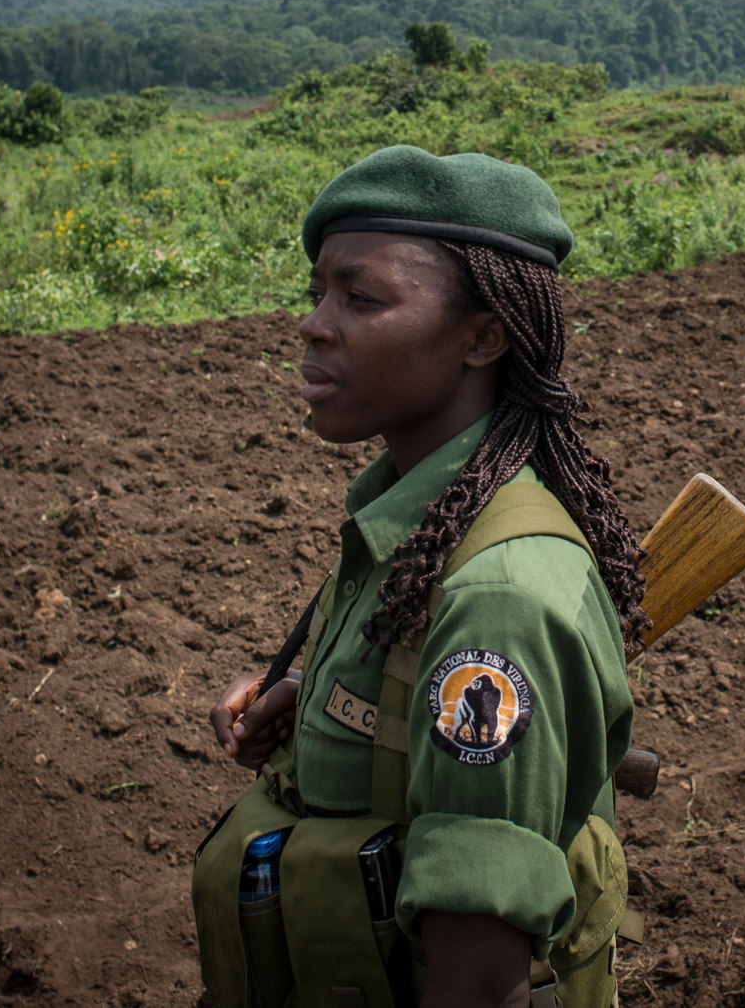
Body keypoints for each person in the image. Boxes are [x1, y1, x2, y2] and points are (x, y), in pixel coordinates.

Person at [198, 145, 649, 1008]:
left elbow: (479, 982)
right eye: (317, 292)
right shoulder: (413, 521)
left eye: (360, 298)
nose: (314, 324)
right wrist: (319, 695)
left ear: (483, 337)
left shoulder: (497, 596)